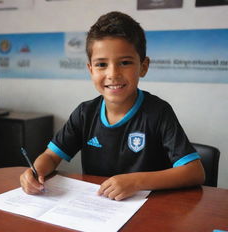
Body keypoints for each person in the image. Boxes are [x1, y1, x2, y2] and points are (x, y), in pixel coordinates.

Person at [20, 11, 205, 200]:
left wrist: (135, 182)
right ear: (90, 70)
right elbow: (51, 157)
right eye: (101, 64)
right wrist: (35, 172)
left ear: (143, 66)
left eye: (125, 62)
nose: (113, 73)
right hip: (99, 210)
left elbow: (195, 172)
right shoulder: (85, 113)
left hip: (149, 212)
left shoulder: (158, 112)